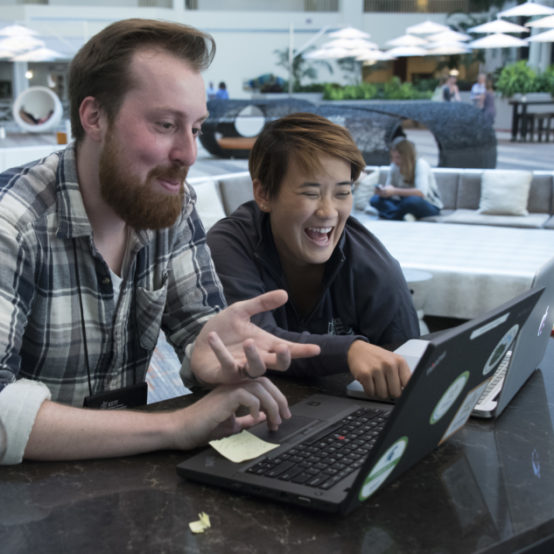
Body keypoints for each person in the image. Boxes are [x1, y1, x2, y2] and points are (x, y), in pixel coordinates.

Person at [0, 19, 321, 466]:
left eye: (194, 128)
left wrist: (211, 353)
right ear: (94, 117)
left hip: (126, 484)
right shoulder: (13, 222)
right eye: (166, 124)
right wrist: (175, 426)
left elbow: (199, 329)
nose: (189, 154)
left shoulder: (169, 203)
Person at [207, 113, 420, 400]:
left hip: (345, 424)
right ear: (264, 193)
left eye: (342, 193)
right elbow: (251, 338)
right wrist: (349, 349)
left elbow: (411, 368)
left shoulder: (376, 268)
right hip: (248, 412)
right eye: (311, 193)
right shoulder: (230, 244)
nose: (328, 211)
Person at [370, 137, 443, 221]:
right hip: (402, 203)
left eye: (398, 157)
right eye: (392, 157)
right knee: (375, 199)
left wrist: (394, 191)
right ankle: (404, 215)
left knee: (411, 201)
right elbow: (389, 188)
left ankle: (391, 214)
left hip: (427, 204)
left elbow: (421, 193)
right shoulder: (394, 166)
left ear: (407, 157)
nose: (394, 161)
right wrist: (383, 191)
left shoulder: (421, 165)